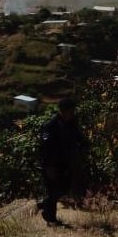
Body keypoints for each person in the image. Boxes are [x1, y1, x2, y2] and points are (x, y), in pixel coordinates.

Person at [37, 97, 85, 226]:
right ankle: (50, 218)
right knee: (52, 190)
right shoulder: (50, 126)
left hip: (65, 163)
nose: (72, 114)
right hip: (52, 164)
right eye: (70, 111)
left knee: (64, 188)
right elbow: (45, 148)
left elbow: (79, 138)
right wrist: (48, 166)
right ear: (63, 111)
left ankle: (45, 205)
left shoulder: (72, 124)